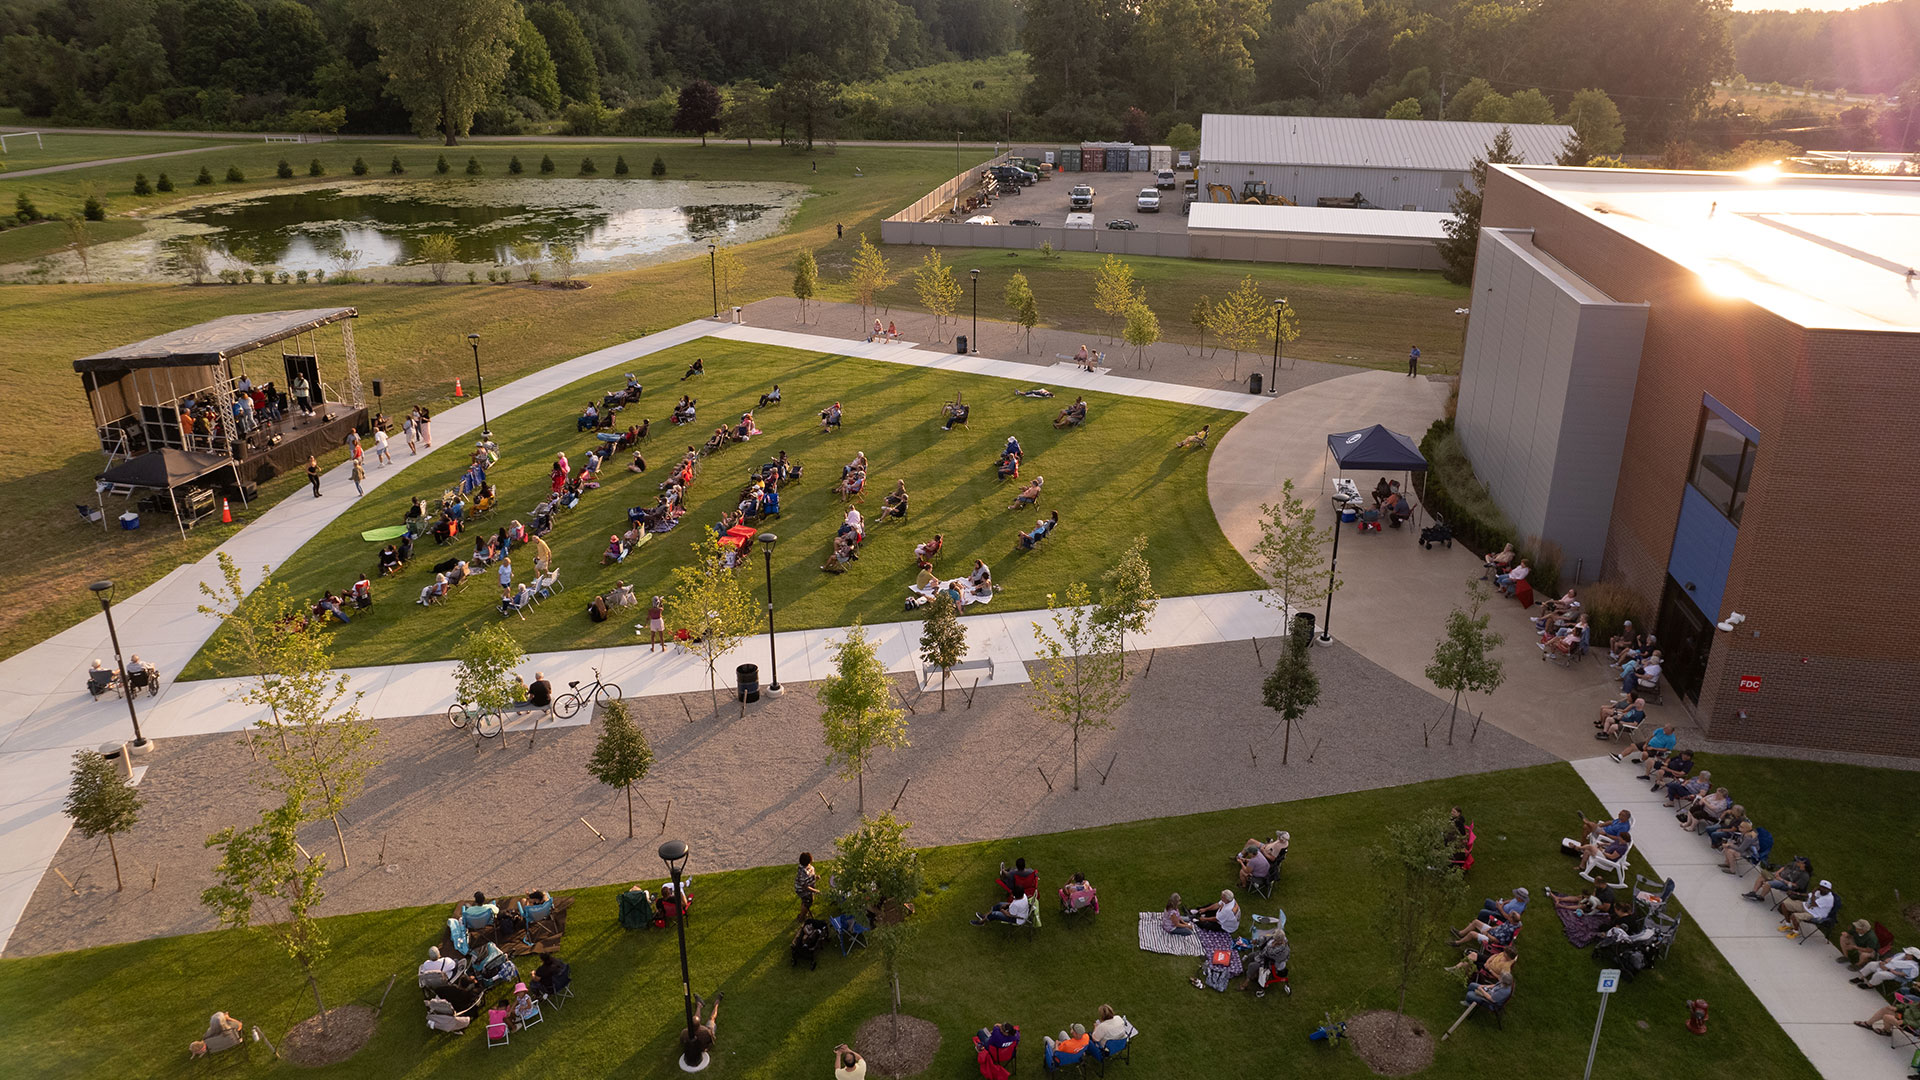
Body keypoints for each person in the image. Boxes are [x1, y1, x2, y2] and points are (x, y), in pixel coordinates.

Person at [681, 991, 722, 1062]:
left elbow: (682, 1043)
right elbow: (712, 1041)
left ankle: (702, 1005)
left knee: (698, 1017)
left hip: (707, 1031)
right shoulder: (706, 1032)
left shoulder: (684, 1033)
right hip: (708, 1033)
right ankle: (715, 1004)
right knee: (712, 1019)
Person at [1853, 946, 1920, 988]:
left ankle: (1870, 985)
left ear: (1913, 957)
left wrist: (1889, 970)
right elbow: (1891, 959)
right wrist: (1884, 962)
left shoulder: (1912, 966)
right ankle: (1861, 978)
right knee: (1871, 964)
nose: (1906, 954)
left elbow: (1903, 974)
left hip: (1894, 974)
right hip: (1886, 966)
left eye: (1908, 954)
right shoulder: (1901, 955)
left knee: (1879, 974)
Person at [795, 853, 820, 919]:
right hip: (802, 890)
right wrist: (815, 891)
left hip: (809, 888)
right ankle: (801, 916)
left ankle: (805, 911)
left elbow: (811, 875)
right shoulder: (802, 873)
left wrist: (815, 877)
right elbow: (805, 886)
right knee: (807, 901)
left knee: (810, 900)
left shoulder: (810, 867)